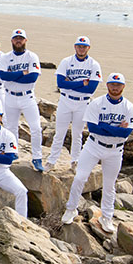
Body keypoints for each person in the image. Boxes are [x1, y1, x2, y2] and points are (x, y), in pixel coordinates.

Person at [62, 73, 133, 233]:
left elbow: (125, 134)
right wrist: (116, 129)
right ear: (107, 85)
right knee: (80, 177)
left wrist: (105, 126)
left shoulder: (129, 107)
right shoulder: (97, 103)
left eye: (118, 85)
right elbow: (93, 128)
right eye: (112, 84)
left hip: (115, 150)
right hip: (93, 146)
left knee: (109, 186)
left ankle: (107, 217)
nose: (115, 88)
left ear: (123, 87)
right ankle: (71, 209)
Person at [46, 36, 103, 172]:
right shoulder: (66, 61)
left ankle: (75, 161)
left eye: (84, 46)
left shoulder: (94, 64)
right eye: (79, 46)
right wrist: (81, 83)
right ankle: (51, 161)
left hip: (83, 103)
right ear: (75, 47)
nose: (81, 48)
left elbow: (91, 88)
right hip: (66, 100)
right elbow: (60, 84)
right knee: (59, 133)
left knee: (77, 134)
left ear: (88, 48)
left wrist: (70, 83)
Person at [0, 29, 44, 172]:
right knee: (11, 127)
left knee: (36, 128)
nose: (18, 41)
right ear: (11, 41)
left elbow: (32, 77)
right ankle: (13, 152)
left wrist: (13, 75)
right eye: (16, 38)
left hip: (27, 97)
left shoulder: (31, 56)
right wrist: (22, 73)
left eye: (21, 38)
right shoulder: (5, 57)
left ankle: (37, 157)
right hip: (10, 96)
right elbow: (3, 76)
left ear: (25, 40)